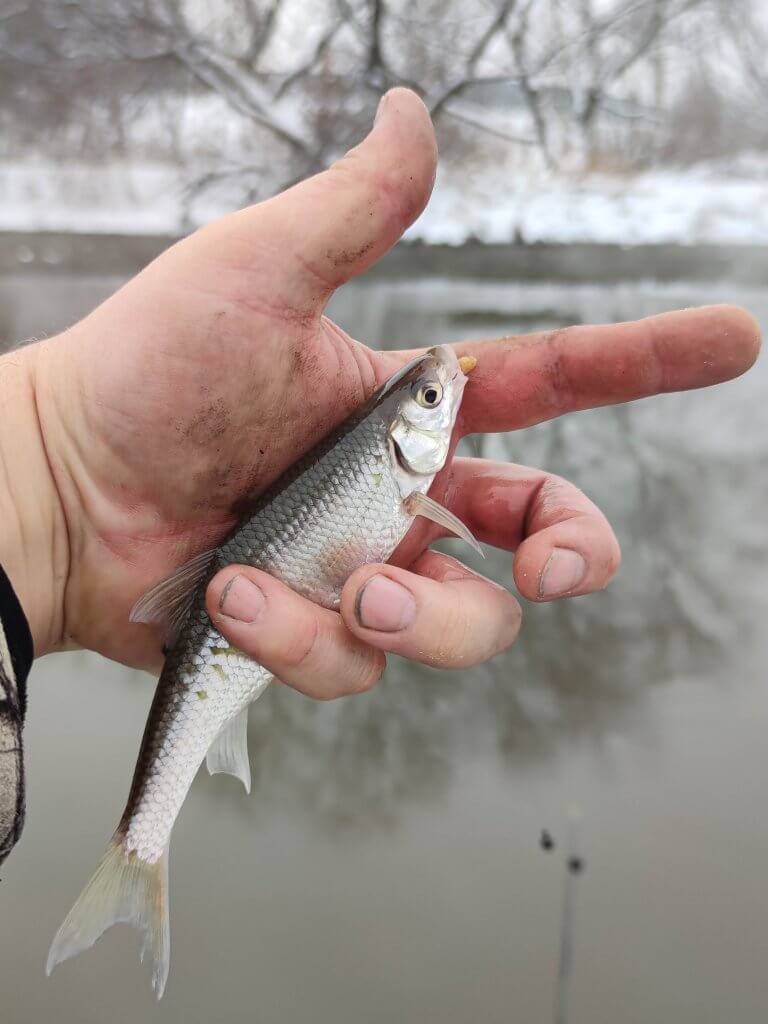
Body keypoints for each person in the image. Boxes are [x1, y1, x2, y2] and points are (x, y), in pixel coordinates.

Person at [0, 89, 760, 865]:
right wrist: (48, 457)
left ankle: (140, 845)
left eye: (429, 393)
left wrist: (42, 466)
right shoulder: (405, 481)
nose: (444, 388)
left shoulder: (401, 474)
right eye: (433, 398)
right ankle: (140, 845)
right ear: (405, 437)